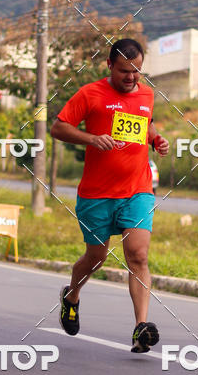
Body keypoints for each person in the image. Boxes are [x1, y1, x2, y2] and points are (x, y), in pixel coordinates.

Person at [51, 38, 169, 353]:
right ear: (109, 66)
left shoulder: (146, 93)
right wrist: (91, 138)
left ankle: (140, 328)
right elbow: (58, 128)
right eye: (124, 71)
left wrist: (156, 140)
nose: (132, 78)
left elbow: (147, 124)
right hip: (96, 194)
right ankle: (71, 296)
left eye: (137, 71)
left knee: (138, 255)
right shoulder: (90, 94)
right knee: (96, 258)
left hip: (137, 189)